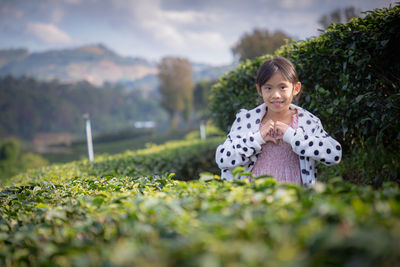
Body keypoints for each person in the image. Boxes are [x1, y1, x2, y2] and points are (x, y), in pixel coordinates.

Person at [215, 56, 342, 187]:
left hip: (295, 199)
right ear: (259, 90)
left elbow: (334, 154)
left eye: (282, 87)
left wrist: (292, 136)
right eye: (268, 88)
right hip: (252, 197)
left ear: (296, 88)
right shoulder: (246, 119)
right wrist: (257, 138)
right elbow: (223, 158)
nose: (276, 95)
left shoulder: (307, 121)